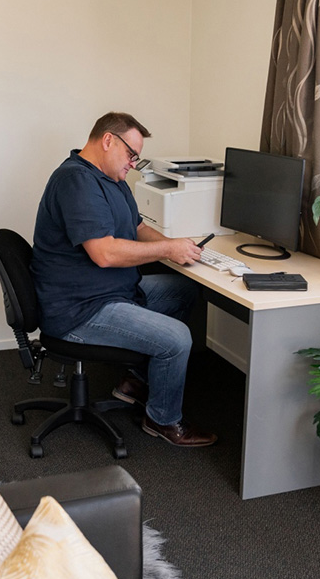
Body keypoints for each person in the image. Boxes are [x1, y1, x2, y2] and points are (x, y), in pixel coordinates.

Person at [31, 111, 217, 447]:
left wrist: (177, 245)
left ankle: (136, 381)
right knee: (176, 339)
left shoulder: (113, 182)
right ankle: (162, 419)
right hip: (80, 309)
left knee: (183, 291)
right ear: (107, 140)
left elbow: (138, 228)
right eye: (131, 154)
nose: (133, 163)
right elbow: (104, 253)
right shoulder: (75, 181)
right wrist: (167, 250)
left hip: (113, 290)